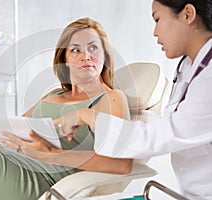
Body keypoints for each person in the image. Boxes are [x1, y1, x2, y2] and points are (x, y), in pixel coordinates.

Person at [0, 17, 132, 200]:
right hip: (2, 160)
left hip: (29, 180)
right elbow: (16, 131)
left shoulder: (111, 98)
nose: (86, 55)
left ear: (105, 56)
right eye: (75, 49)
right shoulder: (53, 95)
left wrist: (53, 155)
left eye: (93, 47)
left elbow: (122, 165)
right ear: (64, 58)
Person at [54, 1, 212, 199]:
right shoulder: (189, 67)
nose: (154, 32)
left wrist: (86, 116)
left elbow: (164, 134)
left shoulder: (209, 77)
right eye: (75, 50)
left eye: (158, 19)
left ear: (187, 14)